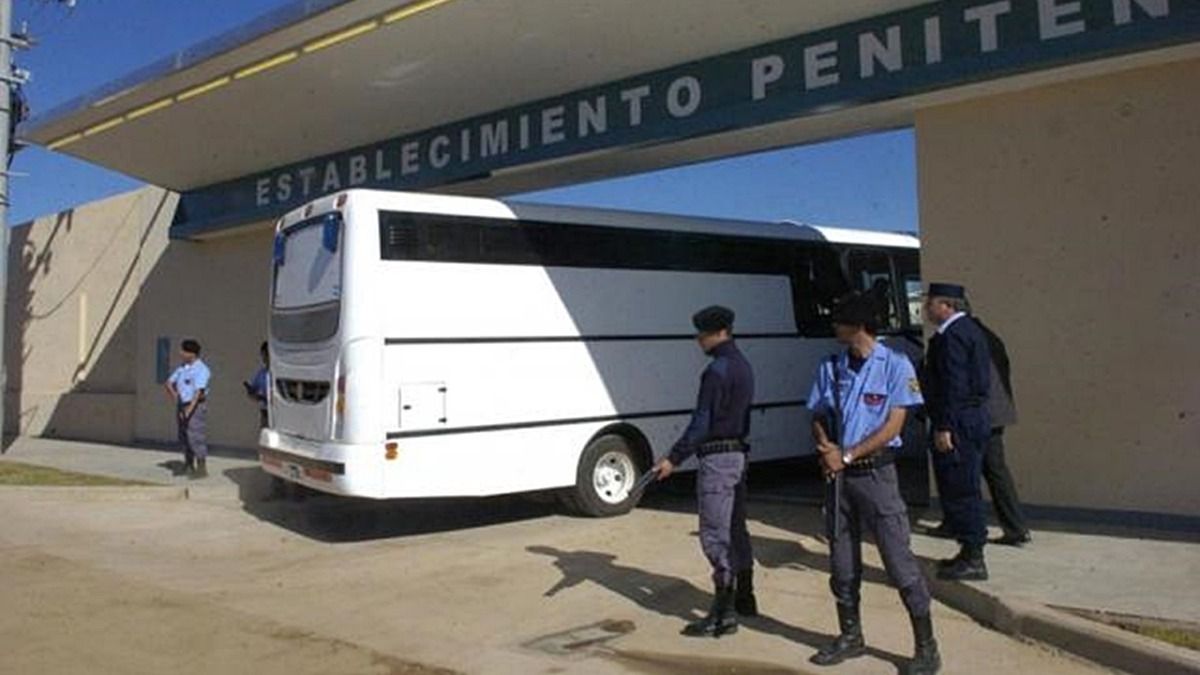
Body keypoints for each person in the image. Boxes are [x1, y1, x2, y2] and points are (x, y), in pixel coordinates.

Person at [806, 293, 940, 673]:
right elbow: (817, 412)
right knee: (842, 562)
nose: (833, 327)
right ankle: (851, 636)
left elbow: (894, 425)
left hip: (876, 475)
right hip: (839, 480)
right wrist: (825, 446)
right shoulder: (830, 366)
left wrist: (846, 455)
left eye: (839, 320)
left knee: (899, 562)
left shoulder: (895, 365)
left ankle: (926, 647)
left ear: (859, 325)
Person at [652, 305, 756, 638]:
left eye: (702, 333)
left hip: (717, 458)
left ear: (717, 332)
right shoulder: (743, 366)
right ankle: (745, 596)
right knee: (737, 528)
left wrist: (673, 458)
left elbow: (702, 423)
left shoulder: (717, 371)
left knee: (715, 534)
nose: (698, 340)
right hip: (738, 455)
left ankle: (722, 614)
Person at [921, 283, 991, 581]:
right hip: (968, 418)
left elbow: (955, 385)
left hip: (959, 422)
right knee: (959, 485)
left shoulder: (954, 336)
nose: (926, 309)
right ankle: (966, 550)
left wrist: (945, 426)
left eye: (930, 303)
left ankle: (974, 555)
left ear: (946, 305)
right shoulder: (968, 331)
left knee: (961, 487)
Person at [164, 339, 211, 479]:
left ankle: (201, 468)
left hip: (195, 406)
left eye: (183, 350)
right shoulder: (182, 368)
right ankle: (188, 465)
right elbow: (168, 382)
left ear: (192, 353)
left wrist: (189, 409)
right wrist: (175, 396)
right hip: (182, 405)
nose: (181, 353)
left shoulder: (202, 369)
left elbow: (198, 392)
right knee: (184, 436)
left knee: (196, 436)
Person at [244, 341, 271, 429]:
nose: (264, 358)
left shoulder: (278, 374)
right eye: (263, 355)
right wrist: (251, 392)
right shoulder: (261, 373)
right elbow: (253, 391)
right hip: (265, 412)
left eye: (266, 355)